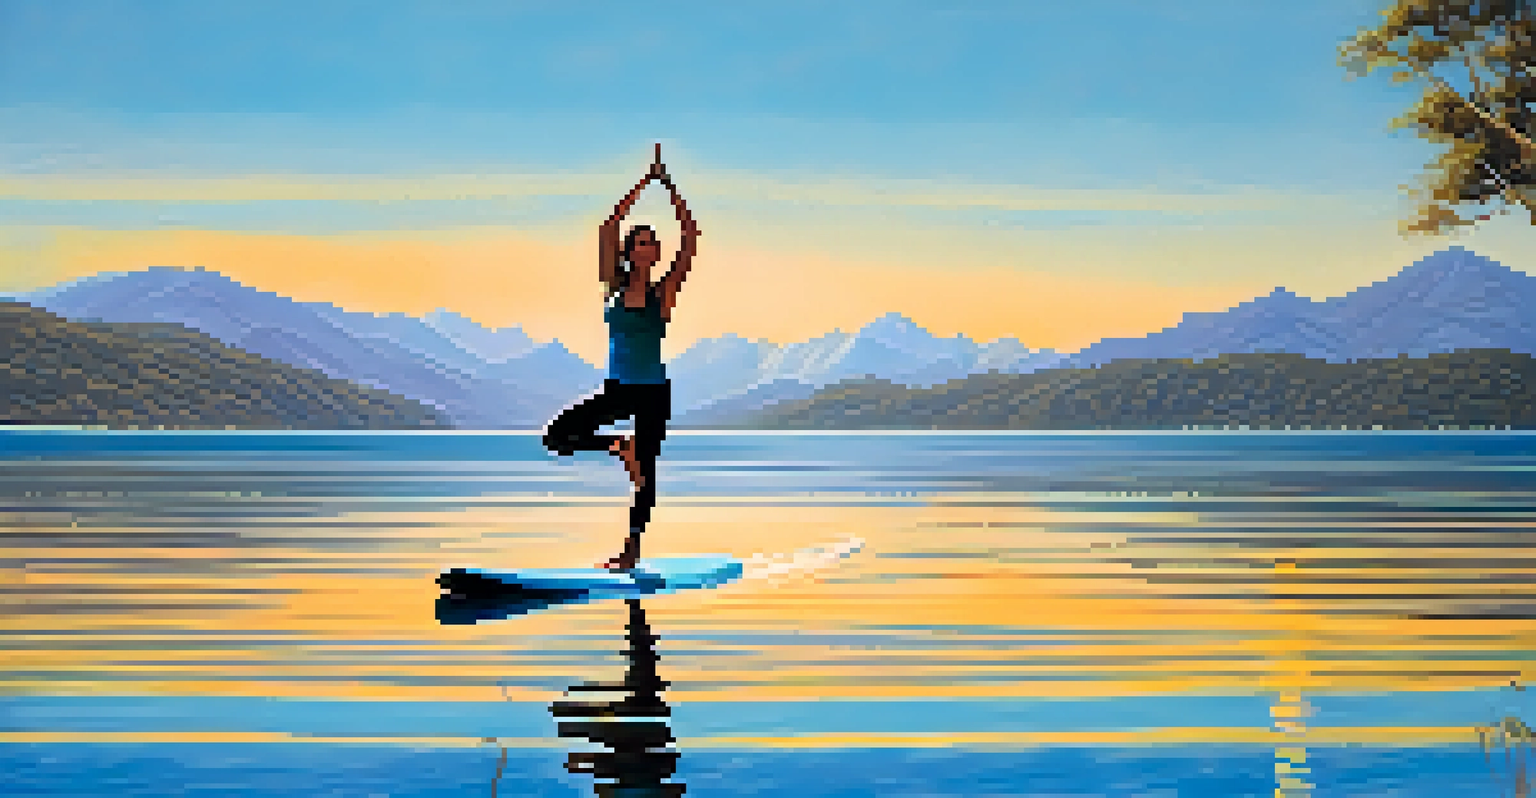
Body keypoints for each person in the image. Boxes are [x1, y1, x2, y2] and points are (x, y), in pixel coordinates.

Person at [542, 145, 699, 570]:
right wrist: (644, 182)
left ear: (655, 253)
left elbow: (690, 238)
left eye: (652, 243)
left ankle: (631, 551)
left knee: (645, 476)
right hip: (617, 390)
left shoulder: (662, 293)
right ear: (631, 250)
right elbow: (608, 226)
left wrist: (669, 187)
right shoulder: (611, 285)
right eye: (640, 241)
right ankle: (615, 444)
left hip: (651, 393)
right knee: (557, 436)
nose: (647, 247)